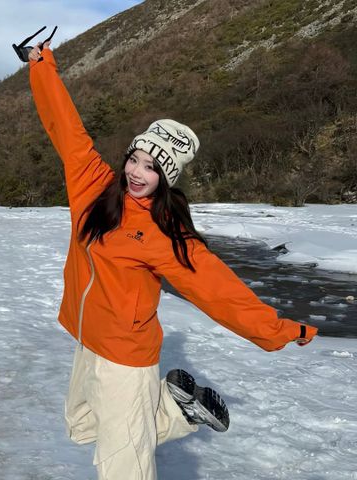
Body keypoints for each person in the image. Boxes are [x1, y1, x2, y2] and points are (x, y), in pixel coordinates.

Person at [28, 41, 318, 480]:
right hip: (88, 339)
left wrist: (276, 329)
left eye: (152, 167)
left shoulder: (164, 232)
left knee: (123, 466)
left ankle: (167, 414)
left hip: (126, 357)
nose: (137, 172)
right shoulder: (94, 188)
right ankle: (178, 410)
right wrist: (42, 68)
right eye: (135, 159)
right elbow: (67, 129)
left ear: (167, 177)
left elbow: (217, 289)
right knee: (82, 427)